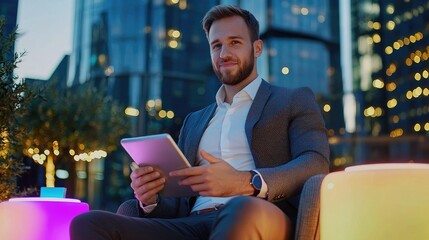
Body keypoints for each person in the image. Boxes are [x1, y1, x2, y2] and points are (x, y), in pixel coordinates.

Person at [70, 5, 329, 240]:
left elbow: (314, 161)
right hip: (192, 223)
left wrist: (247, 182)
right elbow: (180, 200)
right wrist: (151, 198)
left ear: (257, 48)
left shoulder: (293, 100)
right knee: (89, 223)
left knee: (241, 208)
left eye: (235, 43)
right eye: (216, 45)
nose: (224, 53)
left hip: (261, 213)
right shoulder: (195, 121)